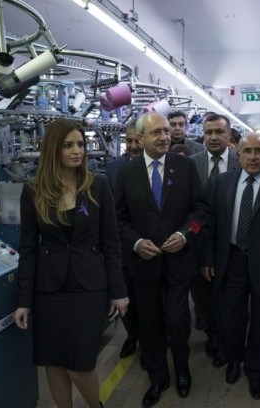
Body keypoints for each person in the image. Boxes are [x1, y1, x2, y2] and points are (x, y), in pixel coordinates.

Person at [14, 119, 129, 408]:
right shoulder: (33, 190)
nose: (77, 151)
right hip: (49, 290)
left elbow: (112, 244)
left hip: (89, 288)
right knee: (53, 362)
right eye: (68, 145)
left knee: (80, 367)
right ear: (53, 149)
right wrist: (23, 301)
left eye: (80, 144)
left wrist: (119, 291)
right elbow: (28, 248)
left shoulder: (97, 185)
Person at [115, 112, 208, 407]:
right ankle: (158, 378)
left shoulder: (185, 166)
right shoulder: (127, 173)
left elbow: (201, 214)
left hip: (179, 263)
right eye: (157, 132)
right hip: (144, 265)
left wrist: (186, 235)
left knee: (178, 322)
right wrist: (136, 243)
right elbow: (118, 220)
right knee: (150, 323)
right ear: (140, 138)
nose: (165, 137)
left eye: (167, 131)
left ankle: (183, 371)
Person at [202, 133, 260, 400]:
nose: (253, 156)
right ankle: (234, 358)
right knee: (230, 317)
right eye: (247, 151)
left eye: (259, 151)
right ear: (238, 155)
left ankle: (256, 371)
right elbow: (209, 224)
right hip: (231, 259)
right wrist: (208, 259)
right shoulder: (221, 182)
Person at [190, 113, 240, 367]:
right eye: (208, 132)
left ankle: (230, 340)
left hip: (233, 246)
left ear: (229, 135)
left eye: (219, 132)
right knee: (206, 299)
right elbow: (189, 209)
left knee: (230, 299)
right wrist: (194, 232)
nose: (213, 137)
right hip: (200, 243)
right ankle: (214, 337)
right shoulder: (191, 164)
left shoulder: (242, 162)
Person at [105, 119, 145, 364]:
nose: (133, 146)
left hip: (150, 244)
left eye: (137, 140)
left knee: (148, 299)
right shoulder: (114, 168)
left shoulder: (159, 166)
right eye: (128, 141)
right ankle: (132, 335)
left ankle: (150, 339)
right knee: (125, 292)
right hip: (122, 244)